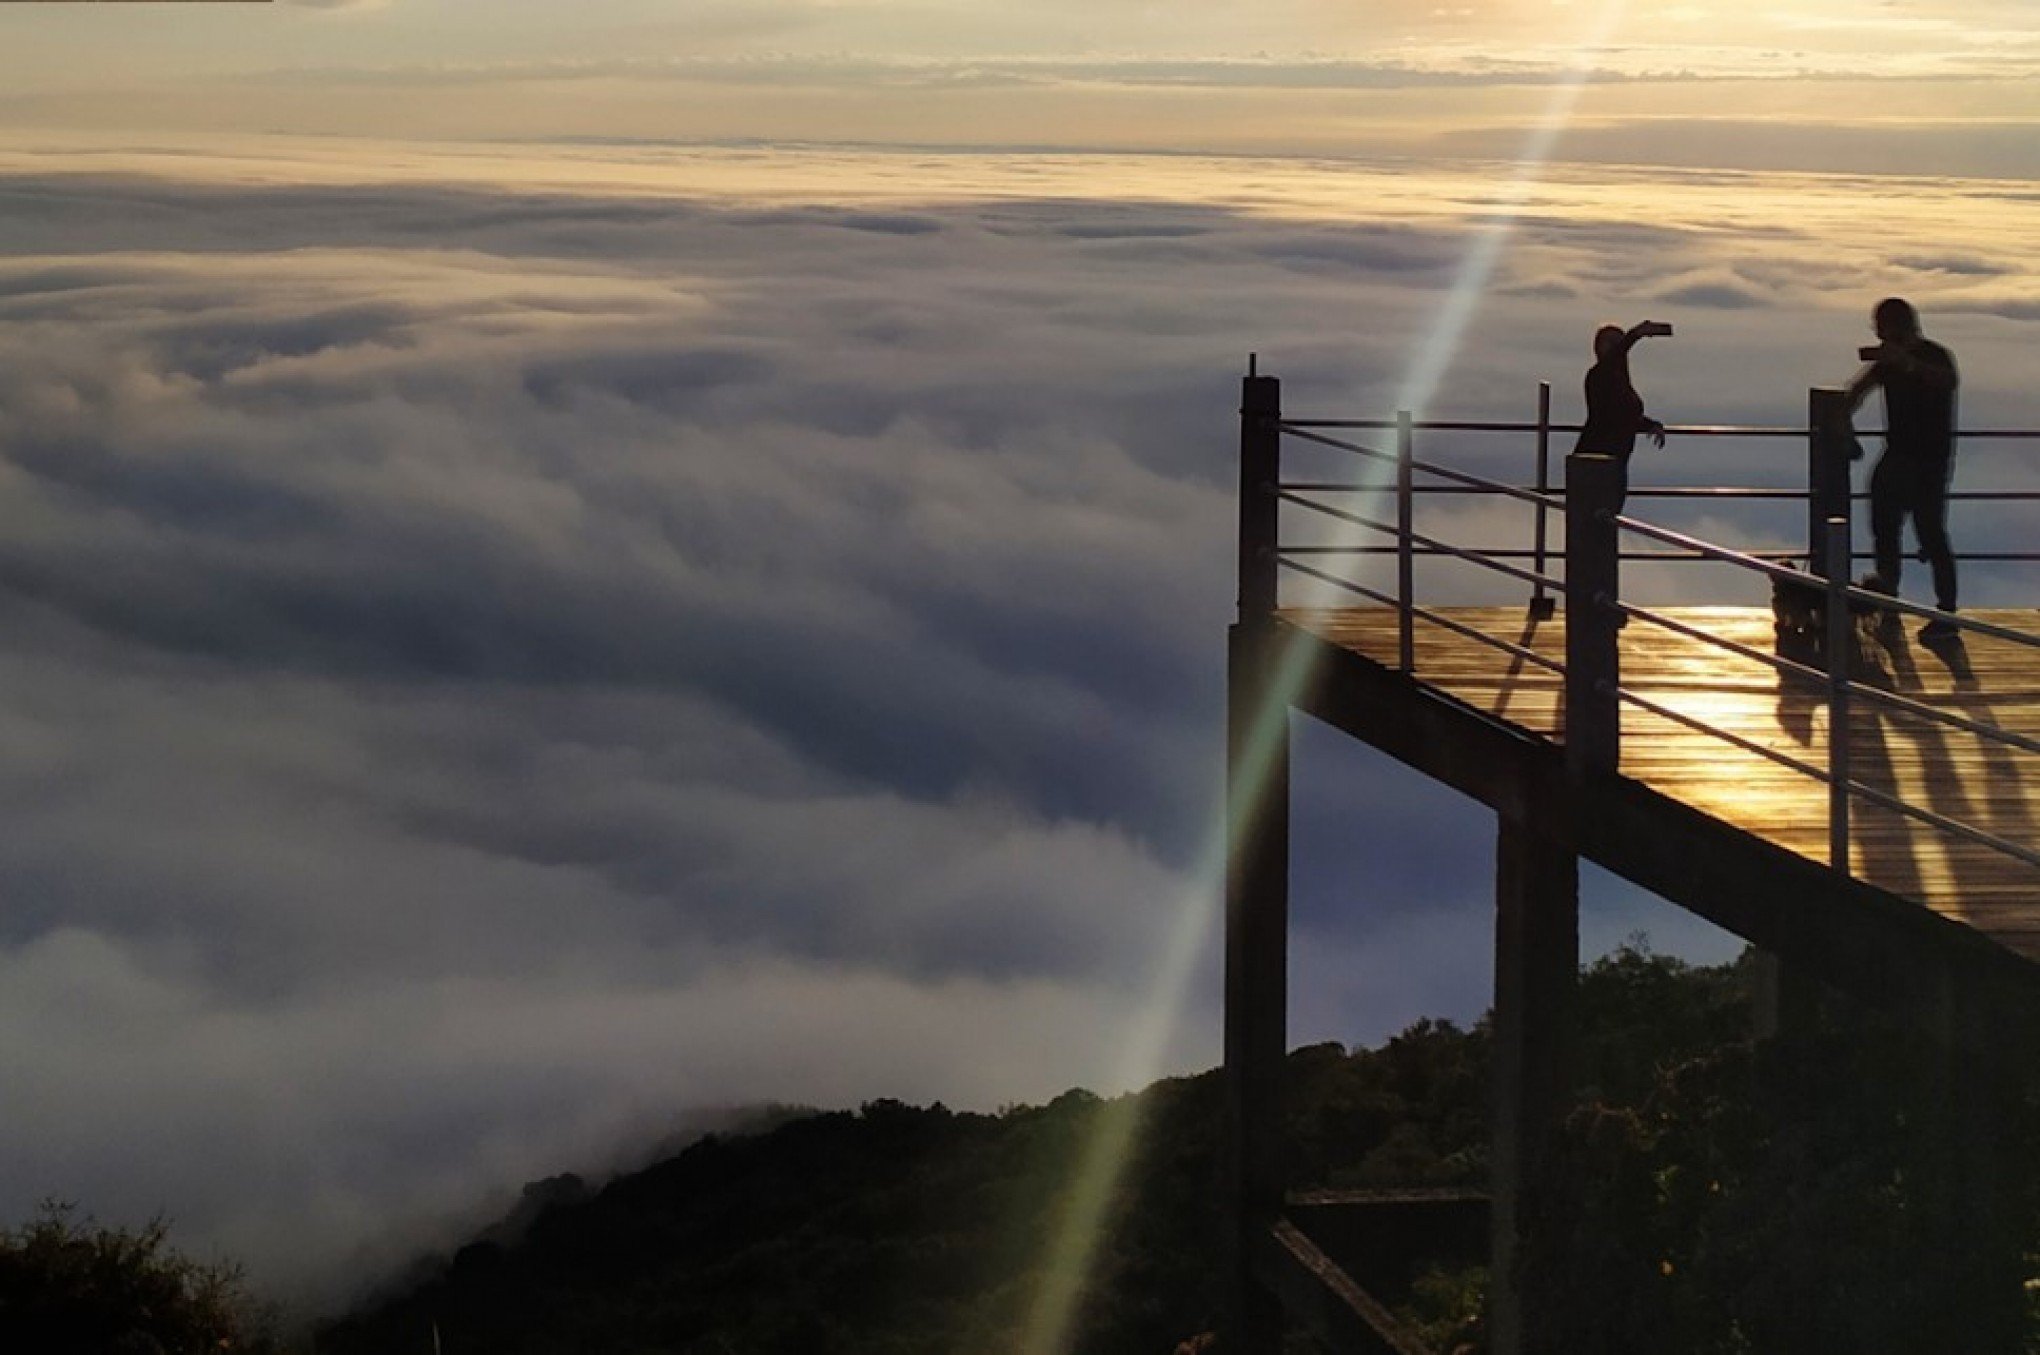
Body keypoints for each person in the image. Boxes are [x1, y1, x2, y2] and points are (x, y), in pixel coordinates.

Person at [1846, 297, 1960, 643]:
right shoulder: (1889, 363)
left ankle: (1946, 613)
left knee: (1930, 534)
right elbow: (1856, 392)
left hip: (1929, 461)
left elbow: (1946, 382)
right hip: (1897, 456)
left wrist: (1907, 364)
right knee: (1884, 528)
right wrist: (1843, 421)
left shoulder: (1934, 356)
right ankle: (1888, 603)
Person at [1575, 319, 1673, 508]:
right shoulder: (1598, 375)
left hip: (1614, 461)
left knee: (1608, 517)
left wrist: (1650, 425)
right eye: (1611, 344)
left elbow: (1623, 416)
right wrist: (1635, 334)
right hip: (1596, 460)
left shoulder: (1618, 379)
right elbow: (1610, 417)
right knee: (1595, 519)